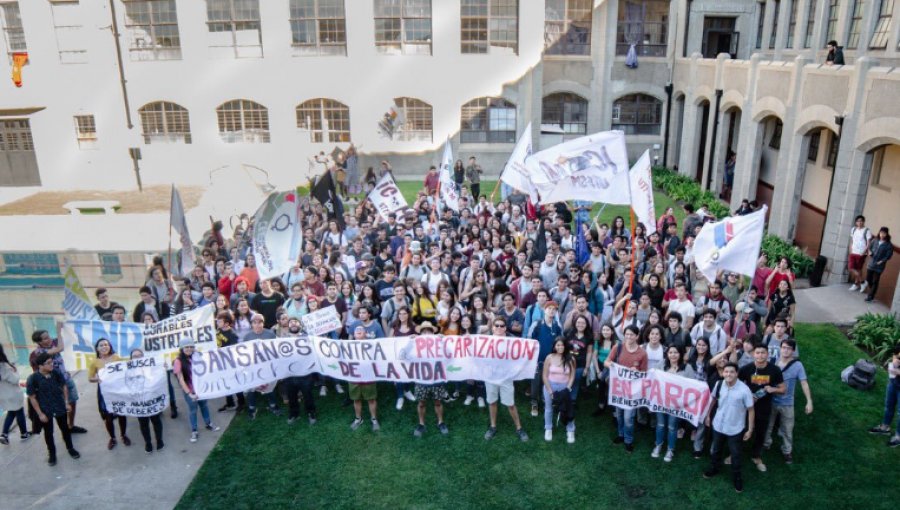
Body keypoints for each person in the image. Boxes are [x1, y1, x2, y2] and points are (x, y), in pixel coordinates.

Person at [702, 362, 754, 493]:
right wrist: (708, 416)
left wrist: (750, 429)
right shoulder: (719, 384)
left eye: (732, 372)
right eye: (726, 372)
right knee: (716, 450)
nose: (728, 374)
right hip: (718, 425)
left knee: (735, 455)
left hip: (735, 428)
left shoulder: (744, 390)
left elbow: (751, 410)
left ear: (736, 373)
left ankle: (737, 478)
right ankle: (714, 468)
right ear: (723, 373)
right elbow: (713, 400)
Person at [26, 353, 80, 465]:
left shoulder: (56, 373)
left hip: (59, 406)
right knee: (48, 433)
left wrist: (66, 402)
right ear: (40, 366)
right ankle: (52, 454)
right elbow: (32, 397)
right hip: (45, 409)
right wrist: (40, 414)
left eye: (52, 362)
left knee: (65, 429)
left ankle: (70, 448)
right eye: (48, 363)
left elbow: (64, 386)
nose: (52, 364)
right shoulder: (33, 379)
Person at [763, 339, 812, 464]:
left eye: (789, 348)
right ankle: (766, 443)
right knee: (768, 425)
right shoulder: (772, 362)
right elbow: (763, 378)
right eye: (783, 347)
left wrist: (809, 401)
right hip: (771, 401)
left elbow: (804, 383)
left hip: (787, 403)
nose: (785, 350)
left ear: (793, 351)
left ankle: (787, 451)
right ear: (780, 348)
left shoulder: (798, 365)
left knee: (787, 429)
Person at [739, 344, 786, 473]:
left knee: (760, 432)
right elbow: (736, 385)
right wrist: (746, 396)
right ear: (754, 354)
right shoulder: (746, 369)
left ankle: (756, 456)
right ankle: (735, 454)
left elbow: (783, 389)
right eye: (758, 353)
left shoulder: (775, 370)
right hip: (747, 407)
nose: (760, 355)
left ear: (768, 354)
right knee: (741, 430)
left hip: (764, 407)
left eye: (763, 353)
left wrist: (773, 389)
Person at [29, 330, 86, 434]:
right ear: (39, 342)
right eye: (45, 338)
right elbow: (60, 348)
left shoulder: (54, 343)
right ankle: (65, 430)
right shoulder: (38, 353)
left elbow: (68, 338)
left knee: (72, 402)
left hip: (66, 379)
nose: (49, 339)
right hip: (55, 385)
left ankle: (71, 425)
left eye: (49, 336)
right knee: (61, 408)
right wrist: (59, 329)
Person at [483, 318, 528, 442]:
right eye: (496, 325)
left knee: (510, 404)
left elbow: (523, 350)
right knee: (492, 402)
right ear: (492, 327)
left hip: (506, 377)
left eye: (501, 325)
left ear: (505, 328)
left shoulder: (512, 341)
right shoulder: (484, 341)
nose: (498, 327)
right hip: (490, 376)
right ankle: (493, 426)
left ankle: (519, 428)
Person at [606, 325, 648, 452]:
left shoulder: (642, 353)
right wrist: (612, 365)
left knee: (628, 418)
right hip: (618, 388)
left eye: (631, 335)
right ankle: (621, 434)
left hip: (633, 390)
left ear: (637, 336)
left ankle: (628, 440)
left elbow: (645, 372)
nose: (629, 337)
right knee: (619, 414)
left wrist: (637, 370)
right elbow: (607, 361)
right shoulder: (618, 347)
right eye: (627, 334)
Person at [652, 344, 695, 462]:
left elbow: (693, 385)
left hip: (676, 405)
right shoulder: (662, 364)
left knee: (672, 427)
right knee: (660, 425)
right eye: (670, 352)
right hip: (661, 401)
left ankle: (670, 449)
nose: (673, 355)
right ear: (667, 354)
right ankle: (658, 445)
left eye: (676, 352)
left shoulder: (687, 368)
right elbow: (651, 375)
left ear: (680, 354)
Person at [173, 339, 220, 443]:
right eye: (186, 347)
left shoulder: (197, 356)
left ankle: (208, 424)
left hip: (202, 389)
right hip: (190, 391)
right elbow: (180, 379)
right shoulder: (178, 361)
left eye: (191, 346)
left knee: (204, 406)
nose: (189, 349)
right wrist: (189, 393)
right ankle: (194, 430)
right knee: (193, 410)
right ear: (182, 348)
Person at [88, 338, 130, 450]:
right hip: (104, 392)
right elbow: (90, 378)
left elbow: (125, 370)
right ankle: (112, 438)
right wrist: (96, 379)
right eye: (101, 345)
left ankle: (123, 435)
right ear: (97, 349)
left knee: (121, 413)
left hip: (118, 390)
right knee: (108, 417)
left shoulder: (116, 358)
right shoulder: (94, 362)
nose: (104, 347)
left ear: (110, 346)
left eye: (106, 344)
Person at [413, 321, 449, 437]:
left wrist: (443, 342)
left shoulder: (438, 344)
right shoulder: (414, 345)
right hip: (421, 380)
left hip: (436, 379)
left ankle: (440, 422)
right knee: (421, 402)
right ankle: (421, 423)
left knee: (438, 402)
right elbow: (403, 356)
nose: (427, 333)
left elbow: (450, 355)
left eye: (429, 331)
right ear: (421, 334)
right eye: (424, 331)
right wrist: (410, 342)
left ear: (433, 333)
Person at [528, 301, 563, 417]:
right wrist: (532, 360)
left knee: (548, 382)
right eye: (549, 308)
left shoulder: (557, 327)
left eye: (554, 309)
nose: (551, 311)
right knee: (536, 382)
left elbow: (560, 345)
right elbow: (529, 342)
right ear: (544, 310)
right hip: (537, 360)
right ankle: (534, 403)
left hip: (551, 362)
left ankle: (545, 401)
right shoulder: (537, 325)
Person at [130, 348, 164, 453]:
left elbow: (159, 377)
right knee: (143, 423)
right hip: (139, 401)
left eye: (140, 356)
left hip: (152, 399)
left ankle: (159, 440)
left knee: (156, 420)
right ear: (131, 359)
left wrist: (163, 368)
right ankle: (148, 443)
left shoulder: (152, 367)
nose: (138, 358)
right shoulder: (127, 370)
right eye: (135, 356)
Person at [542, 337, 576, 443]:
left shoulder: (571, 359)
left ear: (565, 346)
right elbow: (544, 375)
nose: (560, 347)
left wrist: (567, 389)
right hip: (550, 385)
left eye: (562, 345)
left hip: (564, 386)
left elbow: (572, 376)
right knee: (548, 408)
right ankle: (548, 428)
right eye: (558, 345)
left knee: (567, 408)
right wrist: (550, 391)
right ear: (554, 346)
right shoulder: (549, 357)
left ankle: (570, 430)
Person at [348, 325, 381, 431]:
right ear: (353, 334)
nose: (358, 331)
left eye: (360, 330)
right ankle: (358, 419)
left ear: (365, 333)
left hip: (368, 376)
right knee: (356, 399)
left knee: (371, 398)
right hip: (354, 376)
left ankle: (374, 419)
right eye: (356, 330)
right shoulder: (347, 345)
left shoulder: (372, 345)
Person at [869, 345, 900, 447]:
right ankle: (885, 427)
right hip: (894, 382)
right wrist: (895, 360)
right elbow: (896, 352)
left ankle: (898, 436)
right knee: (889, 405)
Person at [0, 344, 30, 445]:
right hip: (13, 393)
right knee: (19, 412)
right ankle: (24, 433)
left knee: (11, 412)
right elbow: (14, 379)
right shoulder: (3, 366)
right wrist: (15, 370)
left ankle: (4, 434)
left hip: (3, 394)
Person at [864, 227, 893, 302]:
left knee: (875, 281)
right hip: (871, 264)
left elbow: (888, 256)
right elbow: (869, 248)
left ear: (887, 234)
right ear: (879, 233)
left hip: (879, 266)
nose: (882, 235)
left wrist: (882, 261)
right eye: (881, 233)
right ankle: (873, 290)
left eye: (884, 233)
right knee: (868, 279)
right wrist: (869, 252)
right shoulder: (875, 240)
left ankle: (870, 296)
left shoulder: (888, 245)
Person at [848, 215, 872, 292]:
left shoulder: (867, 231)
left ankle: (856, 284)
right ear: (856, 222)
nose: (860, 222)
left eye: (861, 221)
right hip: (853, 252)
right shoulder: (853, 229)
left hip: (861, 253)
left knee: (858, 269)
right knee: (851, 267)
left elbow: (868, 243)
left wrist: (864, 251)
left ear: (863, 222)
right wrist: (850, 249)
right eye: (858, 221)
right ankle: (863, 282)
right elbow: (852, 240)